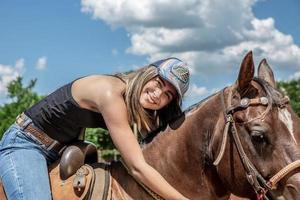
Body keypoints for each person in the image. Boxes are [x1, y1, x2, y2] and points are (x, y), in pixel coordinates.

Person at [0, 57, 190, 200]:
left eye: (167, 95)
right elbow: (137, 167)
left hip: (65, 149)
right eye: (158, 83)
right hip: (26, 144)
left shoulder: (137, 104)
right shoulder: (110, 93)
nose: (158, 95)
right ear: (147, 74)